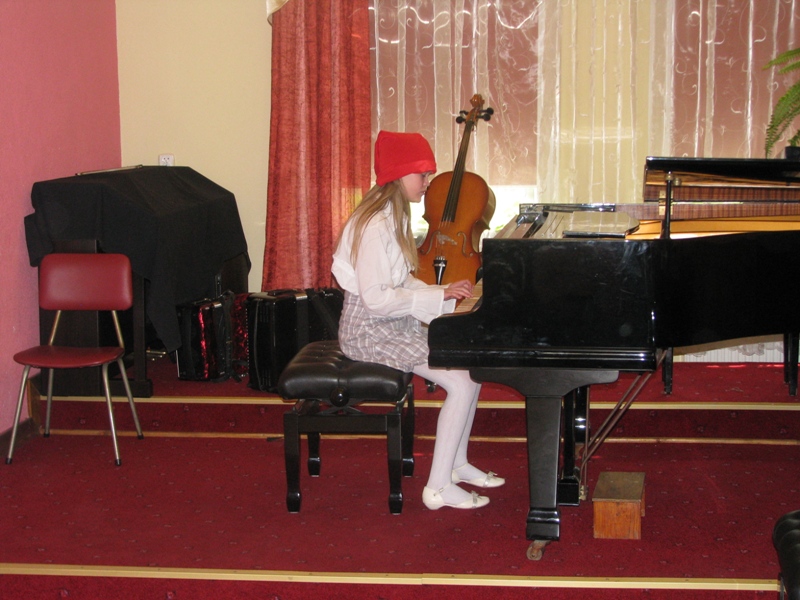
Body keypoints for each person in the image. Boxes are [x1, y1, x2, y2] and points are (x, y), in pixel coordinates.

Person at [331, 130, 505, 510]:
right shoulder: (375, 225)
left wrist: (442, 293)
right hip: (367, 331)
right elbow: (377, 299)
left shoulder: (393, 215)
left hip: (388, 324)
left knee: (470, 368)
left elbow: (402, 279)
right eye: (422, 174)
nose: (428, 182)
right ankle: (437, 487)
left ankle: (456, 464)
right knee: (460, 382)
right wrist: (435, 297)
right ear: (398, 174)